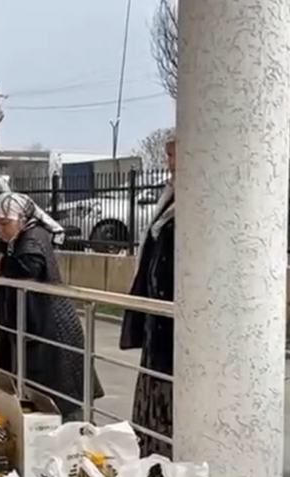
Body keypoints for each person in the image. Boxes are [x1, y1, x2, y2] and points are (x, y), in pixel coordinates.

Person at [0, 192, 103, 419]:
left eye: (5, 223)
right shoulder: (14, 239)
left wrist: (4, 263)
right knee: (35, 388)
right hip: (32, 324)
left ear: (21, 218)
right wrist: (1, 261)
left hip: (51, 326)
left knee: (59, 392)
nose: (0, 230)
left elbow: (29, 266)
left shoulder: (33, 236)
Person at [120, 134, 176, 458]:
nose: (170, 161)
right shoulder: (169, 197)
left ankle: (164, 460)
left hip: (172, 321)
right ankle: (151, 455)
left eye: (175, 154)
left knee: (169, 395)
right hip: (156, 317)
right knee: (152, 391)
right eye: (168, 154)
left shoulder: (194, 197)